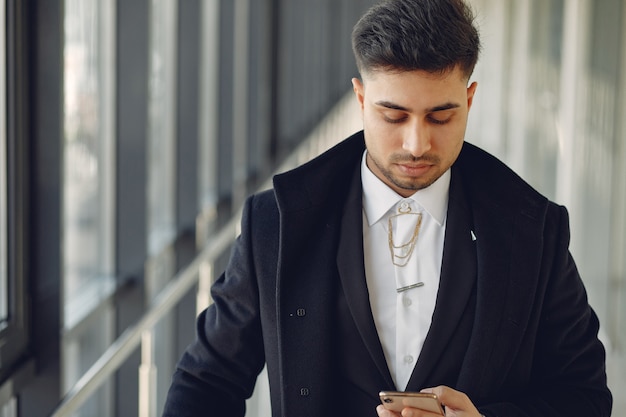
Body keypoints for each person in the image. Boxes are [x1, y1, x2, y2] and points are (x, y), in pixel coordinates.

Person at [163, 0, 612, 415]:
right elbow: (206, 382)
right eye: (393, 116)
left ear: (470, 100)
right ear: (361, 100)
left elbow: (584, 393)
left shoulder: (534, 229)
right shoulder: (277, 223)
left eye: (441, 116)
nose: (417, 143)